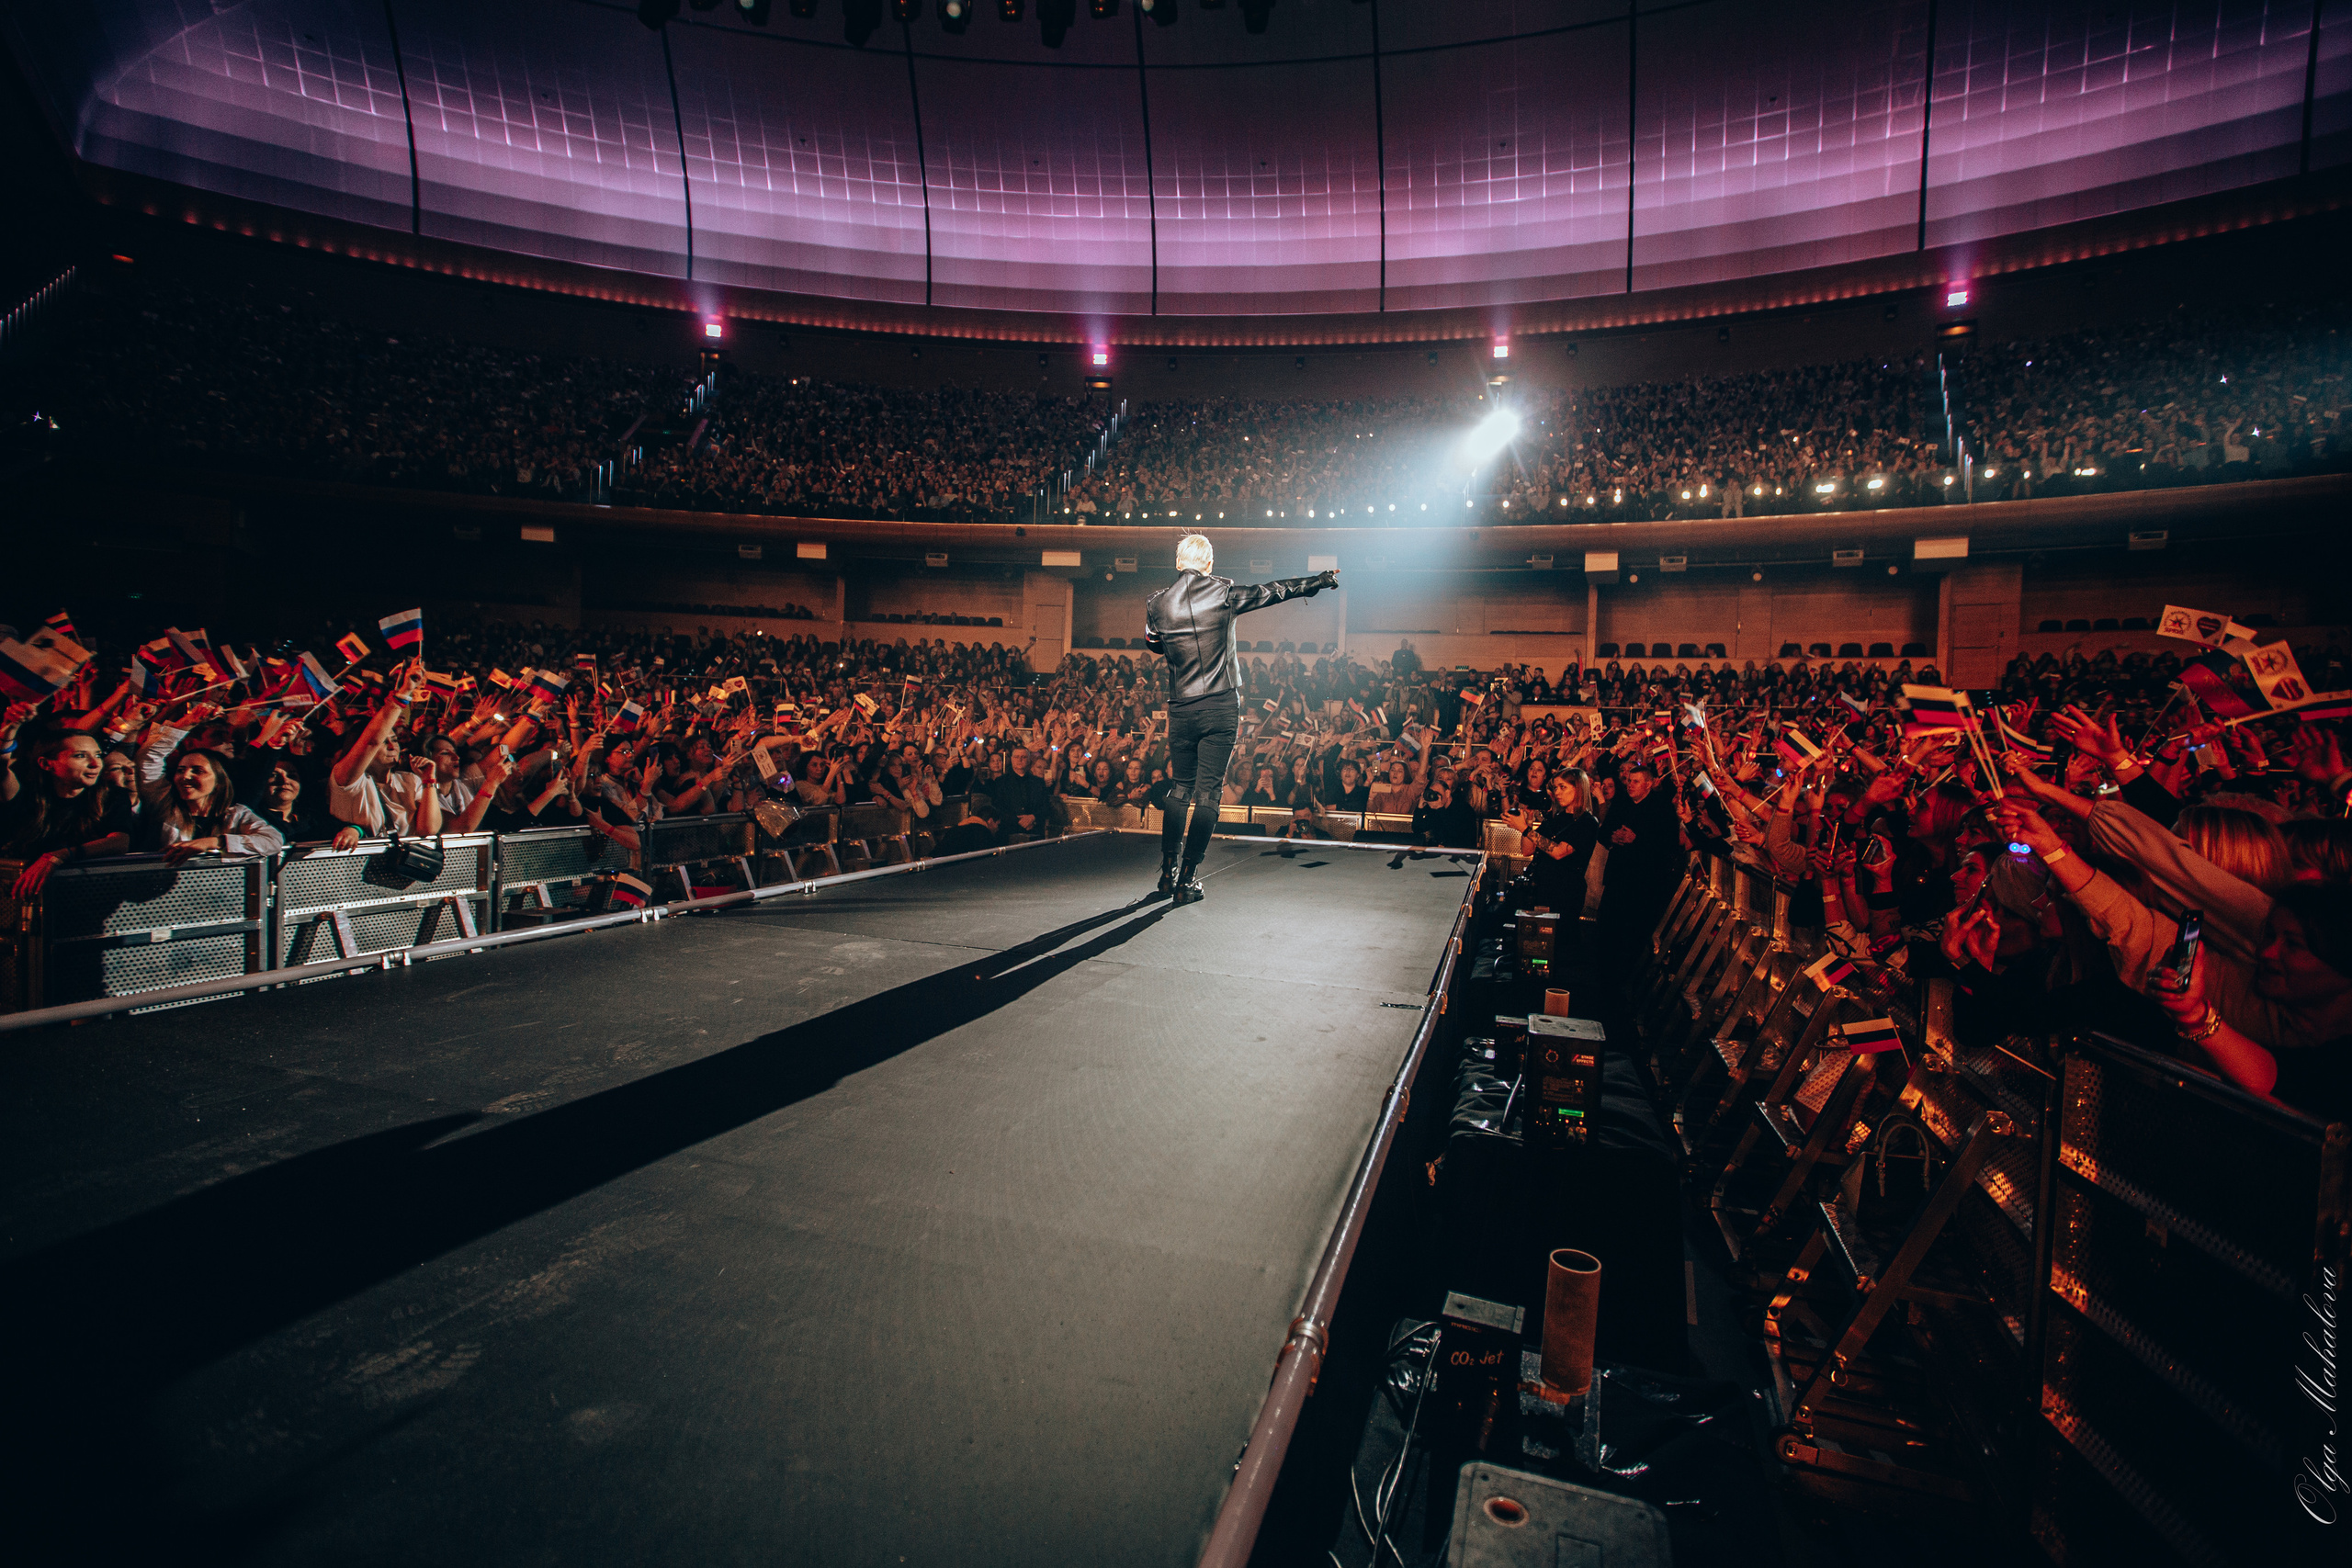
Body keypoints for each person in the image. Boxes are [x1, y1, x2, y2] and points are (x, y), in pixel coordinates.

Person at [1143, 535, 1335, 903]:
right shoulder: (1224, 593)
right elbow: (1273, 591)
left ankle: (1167, 874)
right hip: (1219, 704)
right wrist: (1316, 581)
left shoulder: (1157, 603)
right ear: (1209, 564)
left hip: (1181, 706)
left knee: (1180, 789)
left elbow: (1154, 644)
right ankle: (1188, 879)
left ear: (1179, 563)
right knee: (1208, 792)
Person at [0, 728, 136, 900]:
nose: (95, 764)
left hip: (81, 896)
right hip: (17, 894)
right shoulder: (26, 792)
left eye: (99, 755)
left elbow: (119, 842)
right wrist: (10, 729)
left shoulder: (112, 795)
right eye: (80, 756)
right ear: (46, 764)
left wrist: (59, 856)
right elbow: (1, 769)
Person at [1518, 771, 1599, 922]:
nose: (1557, 792)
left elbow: (1559, 852)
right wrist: (1528, 821)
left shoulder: (1587, 822)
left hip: (1566, 892)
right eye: (1555, 788)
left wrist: (1524, 829)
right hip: (1542, 888)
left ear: (1579, 788)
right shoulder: (1555, 819)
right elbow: (1527, 850)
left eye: (1563, 787)